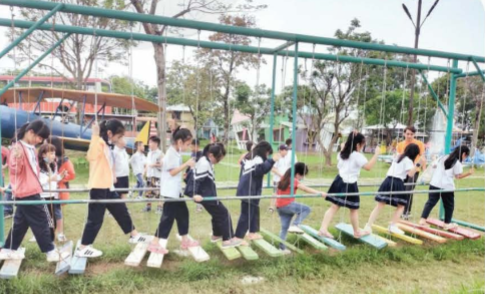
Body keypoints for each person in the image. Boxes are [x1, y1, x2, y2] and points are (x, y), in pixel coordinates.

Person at [76, 120, 146, 258]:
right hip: (98, 187)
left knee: (121, 211)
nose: (120, 139)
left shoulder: (108, 145)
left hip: (108, 186)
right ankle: (83, 247)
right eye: (119, 136)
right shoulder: (100, 143)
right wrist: (94, 135)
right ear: (109, 133)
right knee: (95, 219)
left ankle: (134, 235)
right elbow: (91, 156)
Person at [0, 120, 67, 261]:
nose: (40, 141)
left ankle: (7, 249)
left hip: (30, 189)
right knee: (42, 220)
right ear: (30, 132)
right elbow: (14, 170)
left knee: (20, 223)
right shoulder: (17, 148)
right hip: (27, 191)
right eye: (39, 138)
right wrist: (16, 159)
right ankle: (50, 251)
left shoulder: (31, 147)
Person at [319, 132, 380, 239]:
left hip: (338, 181)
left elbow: (344, 146)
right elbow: (368, 167)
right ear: (357, 145)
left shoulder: (342, 153)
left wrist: (352, 135)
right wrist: (376, 154)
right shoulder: (357, 156)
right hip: (349, 184)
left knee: (334, 207)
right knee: (353, 208)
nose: (363, 146)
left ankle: (323, 229)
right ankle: (357, 232)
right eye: (363, 144)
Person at [148, 128, 197, 254]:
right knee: (167, 218)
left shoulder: (175, 153)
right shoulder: (171, 153)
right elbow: (172, 171)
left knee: (183, 214)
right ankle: (155, 243)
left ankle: (185, 239)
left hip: (176, 191)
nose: (187, 147)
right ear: (180, 142)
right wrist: (186, 164)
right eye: (187, 144)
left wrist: (183, 172)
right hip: (170, 192)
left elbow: (172, 170)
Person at [365, 144, 423, 235]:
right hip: (397, 182)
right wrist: (418, 164)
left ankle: (368, 225)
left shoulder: (398, 157)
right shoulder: (408, 161)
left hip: (388, 180)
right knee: (401, 205)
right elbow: (411, 174)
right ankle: (393, 226)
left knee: (380, 205)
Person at [192, 143, 241, 248]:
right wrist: (195, 194)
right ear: (211, 155)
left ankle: (216, 235)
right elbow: (197, 181)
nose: (219, 161)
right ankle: (227, 240)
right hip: (206, 196)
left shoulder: (206, 161)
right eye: (218, 159)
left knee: (217, 214)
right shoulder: (205, 163)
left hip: (209, 195)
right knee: (224, 214)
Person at [275, 162, 326, 254]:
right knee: (306, 209)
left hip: (279, 206)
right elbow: (305, 189)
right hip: (287, 204)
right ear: (298, 174)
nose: (302, 178)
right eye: (302, 176)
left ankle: (281, 248)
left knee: (284, 228)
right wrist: (319, 193)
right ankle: (295, 225)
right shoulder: (293, 180)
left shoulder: (284, 178)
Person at [419, 146, 474, 230]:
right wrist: (469, 173)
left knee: (430, 202)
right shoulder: (457, 163)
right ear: (463, 154)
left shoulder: (444, 157)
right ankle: (446, 223)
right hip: (446, 186)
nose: (465, 158)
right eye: (466, 156)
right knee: (449, 205)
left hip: (434, 183)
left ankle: (422, 220)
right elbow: (458, 176)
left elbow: (434, 166)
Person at [234, 141, 280, 243]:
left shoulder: (249, 157)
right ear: (265, 151)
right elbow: (260, 170)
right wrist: (272, 160)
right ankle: (238, 237)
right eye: (268, 153)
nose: (267, 155)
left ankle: (252, 233)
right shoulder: (257, 159)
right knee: (246, 213)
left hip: (249, 189)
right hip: (249, 190)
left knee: (253, 210)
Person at [37, 143, 67, 242]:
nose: (53, 155)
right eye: (51, 153)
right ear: (43, 155)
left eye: (54, 153)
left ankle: (49, 240)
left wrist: (60, 176)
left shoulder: (53, 165)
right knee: (49, 221)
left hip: (52, 196)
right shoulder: (38, 167)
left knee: (52, 220)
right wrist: (50, 179)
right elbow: (39, 182)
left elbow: (54, 179)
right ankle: (49, 241)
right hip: (43, 196)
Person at [48, 136, 75, 242]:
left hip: (58, 191)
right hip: (46, 190)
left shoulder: (65, 160)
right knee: (46, 212)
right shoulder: (45, 159)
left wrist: (60, 179)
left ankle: (60, 233)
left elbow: (71, 174)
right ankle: (47, 233)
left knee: (57, 212)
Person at [396, 126, 426, 219]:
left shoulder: (419, 144)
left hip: (414, 170)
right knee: (402, 190)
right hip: (403, 171)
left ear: (414, 134)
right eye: (407, 134)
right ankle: (401, 210)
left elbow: (423, 158)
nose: (409, 136)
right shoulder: (400, 145)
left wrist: (424, 171)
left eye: (411, 134)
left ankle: (406, 212)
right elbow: (398, 158)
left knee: (408, 190)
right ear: (404, 134)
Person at [144, 136, 163, 213]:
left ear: (156, 143)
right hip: (149, 175)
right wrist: (144, 171)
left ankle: (159, 208)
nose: (149, 144)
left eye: (150, 142)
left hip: (157, 175)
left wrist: (154, 165)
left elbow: (161, 164)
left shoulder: (160, 154)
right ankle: (148, 207)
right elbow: (147, 164)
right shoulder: (149, 153)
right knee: (148, 192)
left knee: (158, 192)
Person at [186, 139, 204, 213]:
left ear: (197, 146)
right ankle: (199, 204)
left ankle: (199, 205)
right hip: (192, 173)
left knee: (198, 190)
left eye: (192, 147)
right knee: (193, 190)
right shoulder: (192, 153)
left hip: (199, 174)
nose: (191, 148)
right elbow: (190, 164)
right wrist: (187, 172)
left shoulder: (202, 154)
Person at [1, 144, 13, 218]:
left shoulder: (3, 149)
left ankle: (6, 210)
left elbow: (10, 158)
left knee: (2, 192)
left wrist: (4, 166)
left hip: (0, 175)